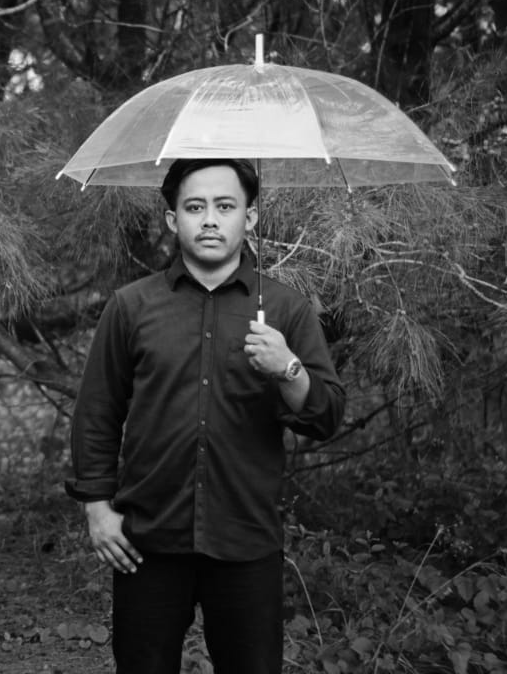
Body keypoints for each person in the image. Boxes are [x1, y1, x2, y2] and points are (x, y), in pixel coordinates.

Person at [66, 158, 345, 674]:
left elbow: (326, 418)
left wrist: (288, 368)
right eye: (195, 207)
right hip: (148, 538)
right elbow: (97, 413)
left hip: (246, 538)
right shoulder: (131, 307)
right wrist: (97, 509)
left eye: (225, 206)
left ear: (250, 217)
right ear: (173, 220)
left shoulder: (285, 310)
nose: (210, 220)